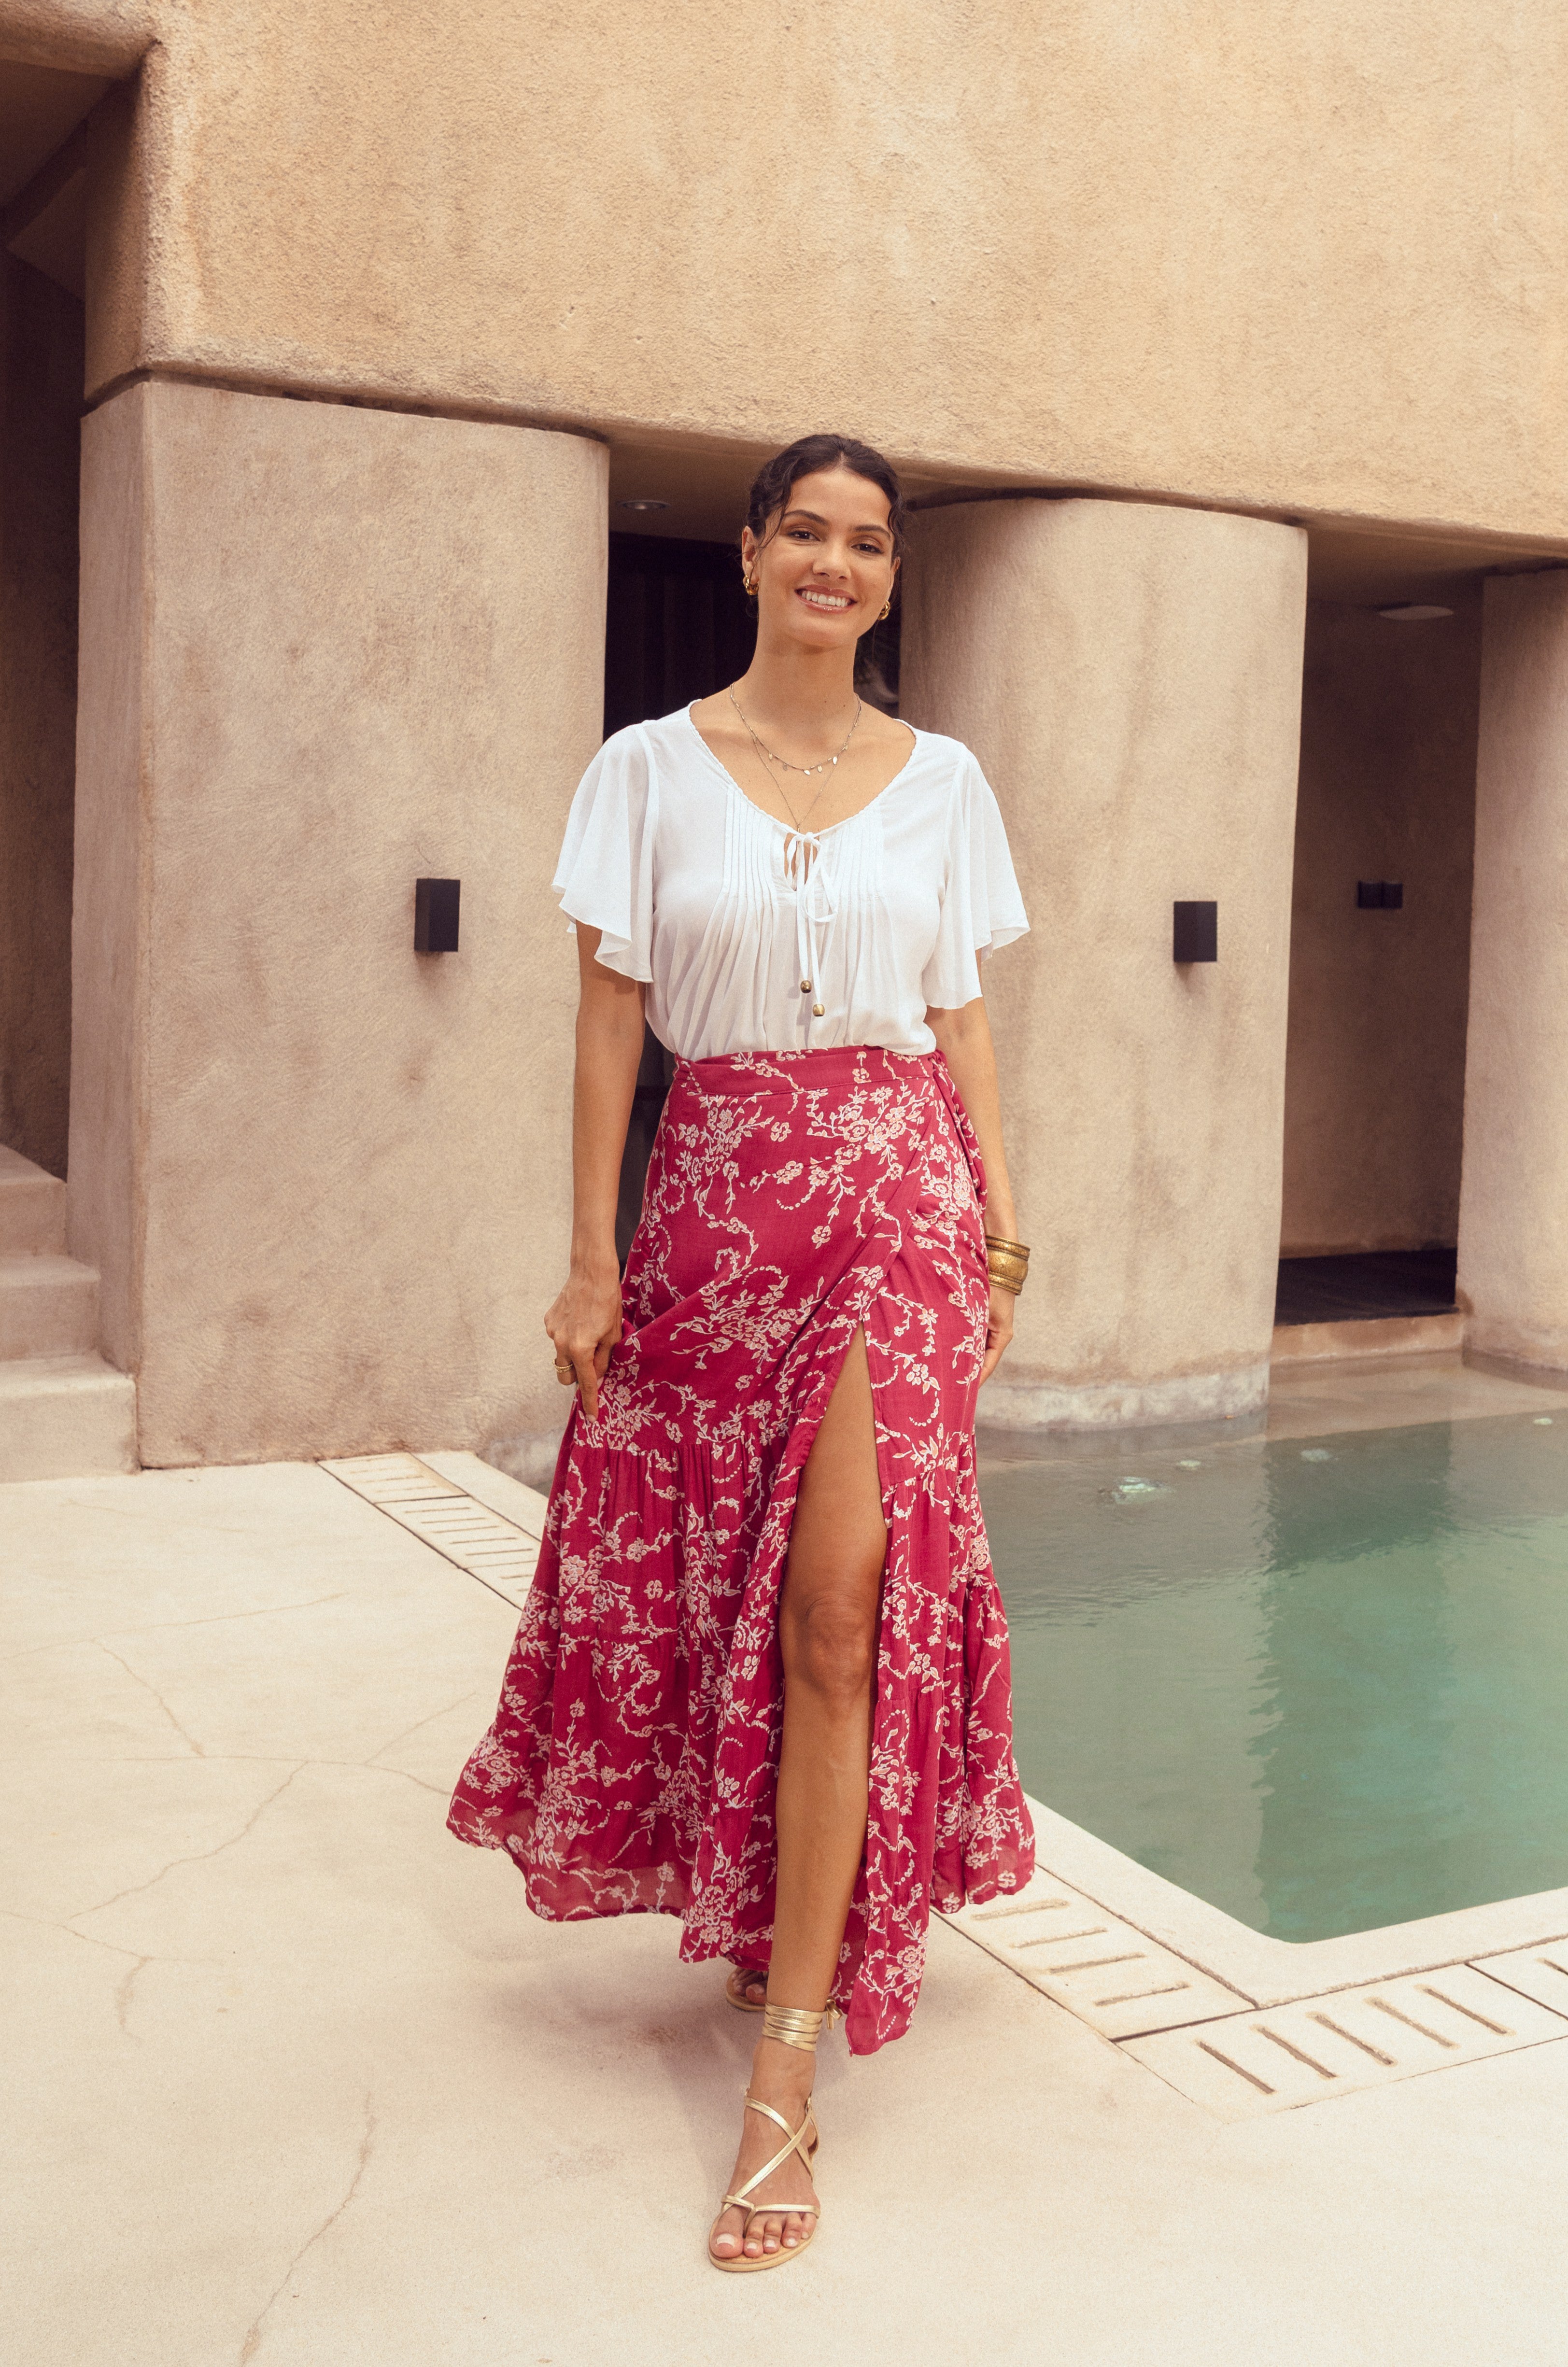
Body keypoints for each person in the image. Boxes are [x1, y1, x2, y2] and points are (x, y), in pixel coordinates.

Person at [449, 432, 1035, 2272]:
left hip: (900, 1201)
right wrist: (590, 1257)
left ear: (890, 575)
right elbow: (607, 1025)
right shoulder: (644, 768)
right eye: (808, 533)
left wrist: (1004, 1232)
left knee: (840, 1610)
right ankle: (776, 1898)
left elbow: (962, 1020)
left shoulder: (945, 782)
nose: (835, 565)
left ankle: (786, 2069)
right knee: (726, 1582)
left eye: (867, 543)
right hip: (714, 1200)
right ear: (753, 549)